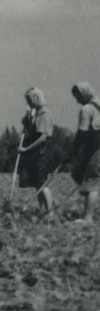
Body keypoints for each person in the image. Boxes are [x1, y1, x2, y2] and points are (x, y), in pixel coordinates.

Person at [66, 82, 100, 223]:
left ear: (84, 93)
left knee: (91, 184)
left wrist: (74, 150)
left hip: (94, 150)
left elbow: (83, 132)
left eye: (78, 97)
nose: (78, 101)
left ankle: (88, 218)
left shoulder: (87, 109)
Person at [16, 87, 54, 215]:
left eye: (29, 100)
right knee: (38, 183)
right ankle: (42, 210)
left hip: (41, 152)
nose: (28, 103)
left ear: (35, 99)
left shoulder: (44, 115)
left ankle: (50, 212)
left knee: (42, 183)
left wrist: (26, 149)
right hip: (35, 152)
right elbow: (27, 126)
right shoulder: (35, 114)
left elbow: (42, 137)